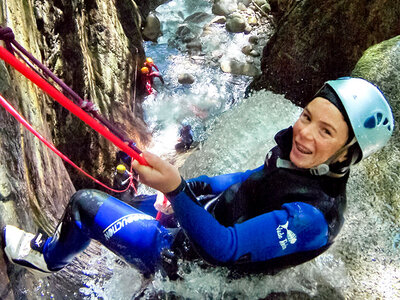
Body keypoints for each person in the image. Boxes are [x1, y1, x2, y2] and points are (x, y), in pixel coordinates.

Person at [3, 78, 394, 279]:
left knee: (84, 205)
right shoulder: (300, 163)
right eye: (307, 116)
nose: (305, 133)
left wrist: (175, 189)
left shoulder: (312, 218)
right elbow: (247, 180)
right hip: (199, 226)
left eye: (326, 132)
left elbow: (224, 248)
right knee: (135, 201)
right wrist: (189, 189)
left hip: (185, 260)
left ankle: (46, 258)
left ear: (348, 154)